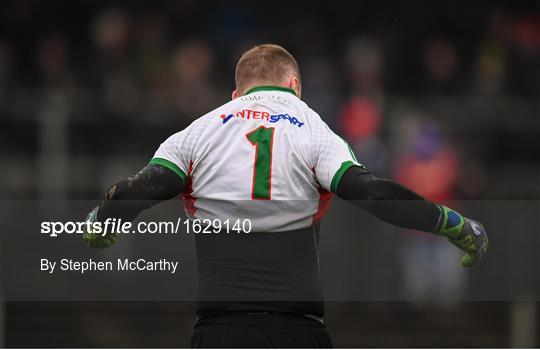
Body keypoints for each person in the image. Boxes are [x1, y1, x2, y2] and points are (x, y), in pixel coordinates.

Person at [84, 44, 488, 348]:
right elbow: (372, 192)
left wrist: (105, 218)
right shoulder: (313, 129)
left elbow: (137, 190)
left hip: (218, 329)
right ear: (295, 85)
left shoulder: (198, 132)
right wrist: (448, 221)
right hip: (298, 329)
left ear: (234, 93)